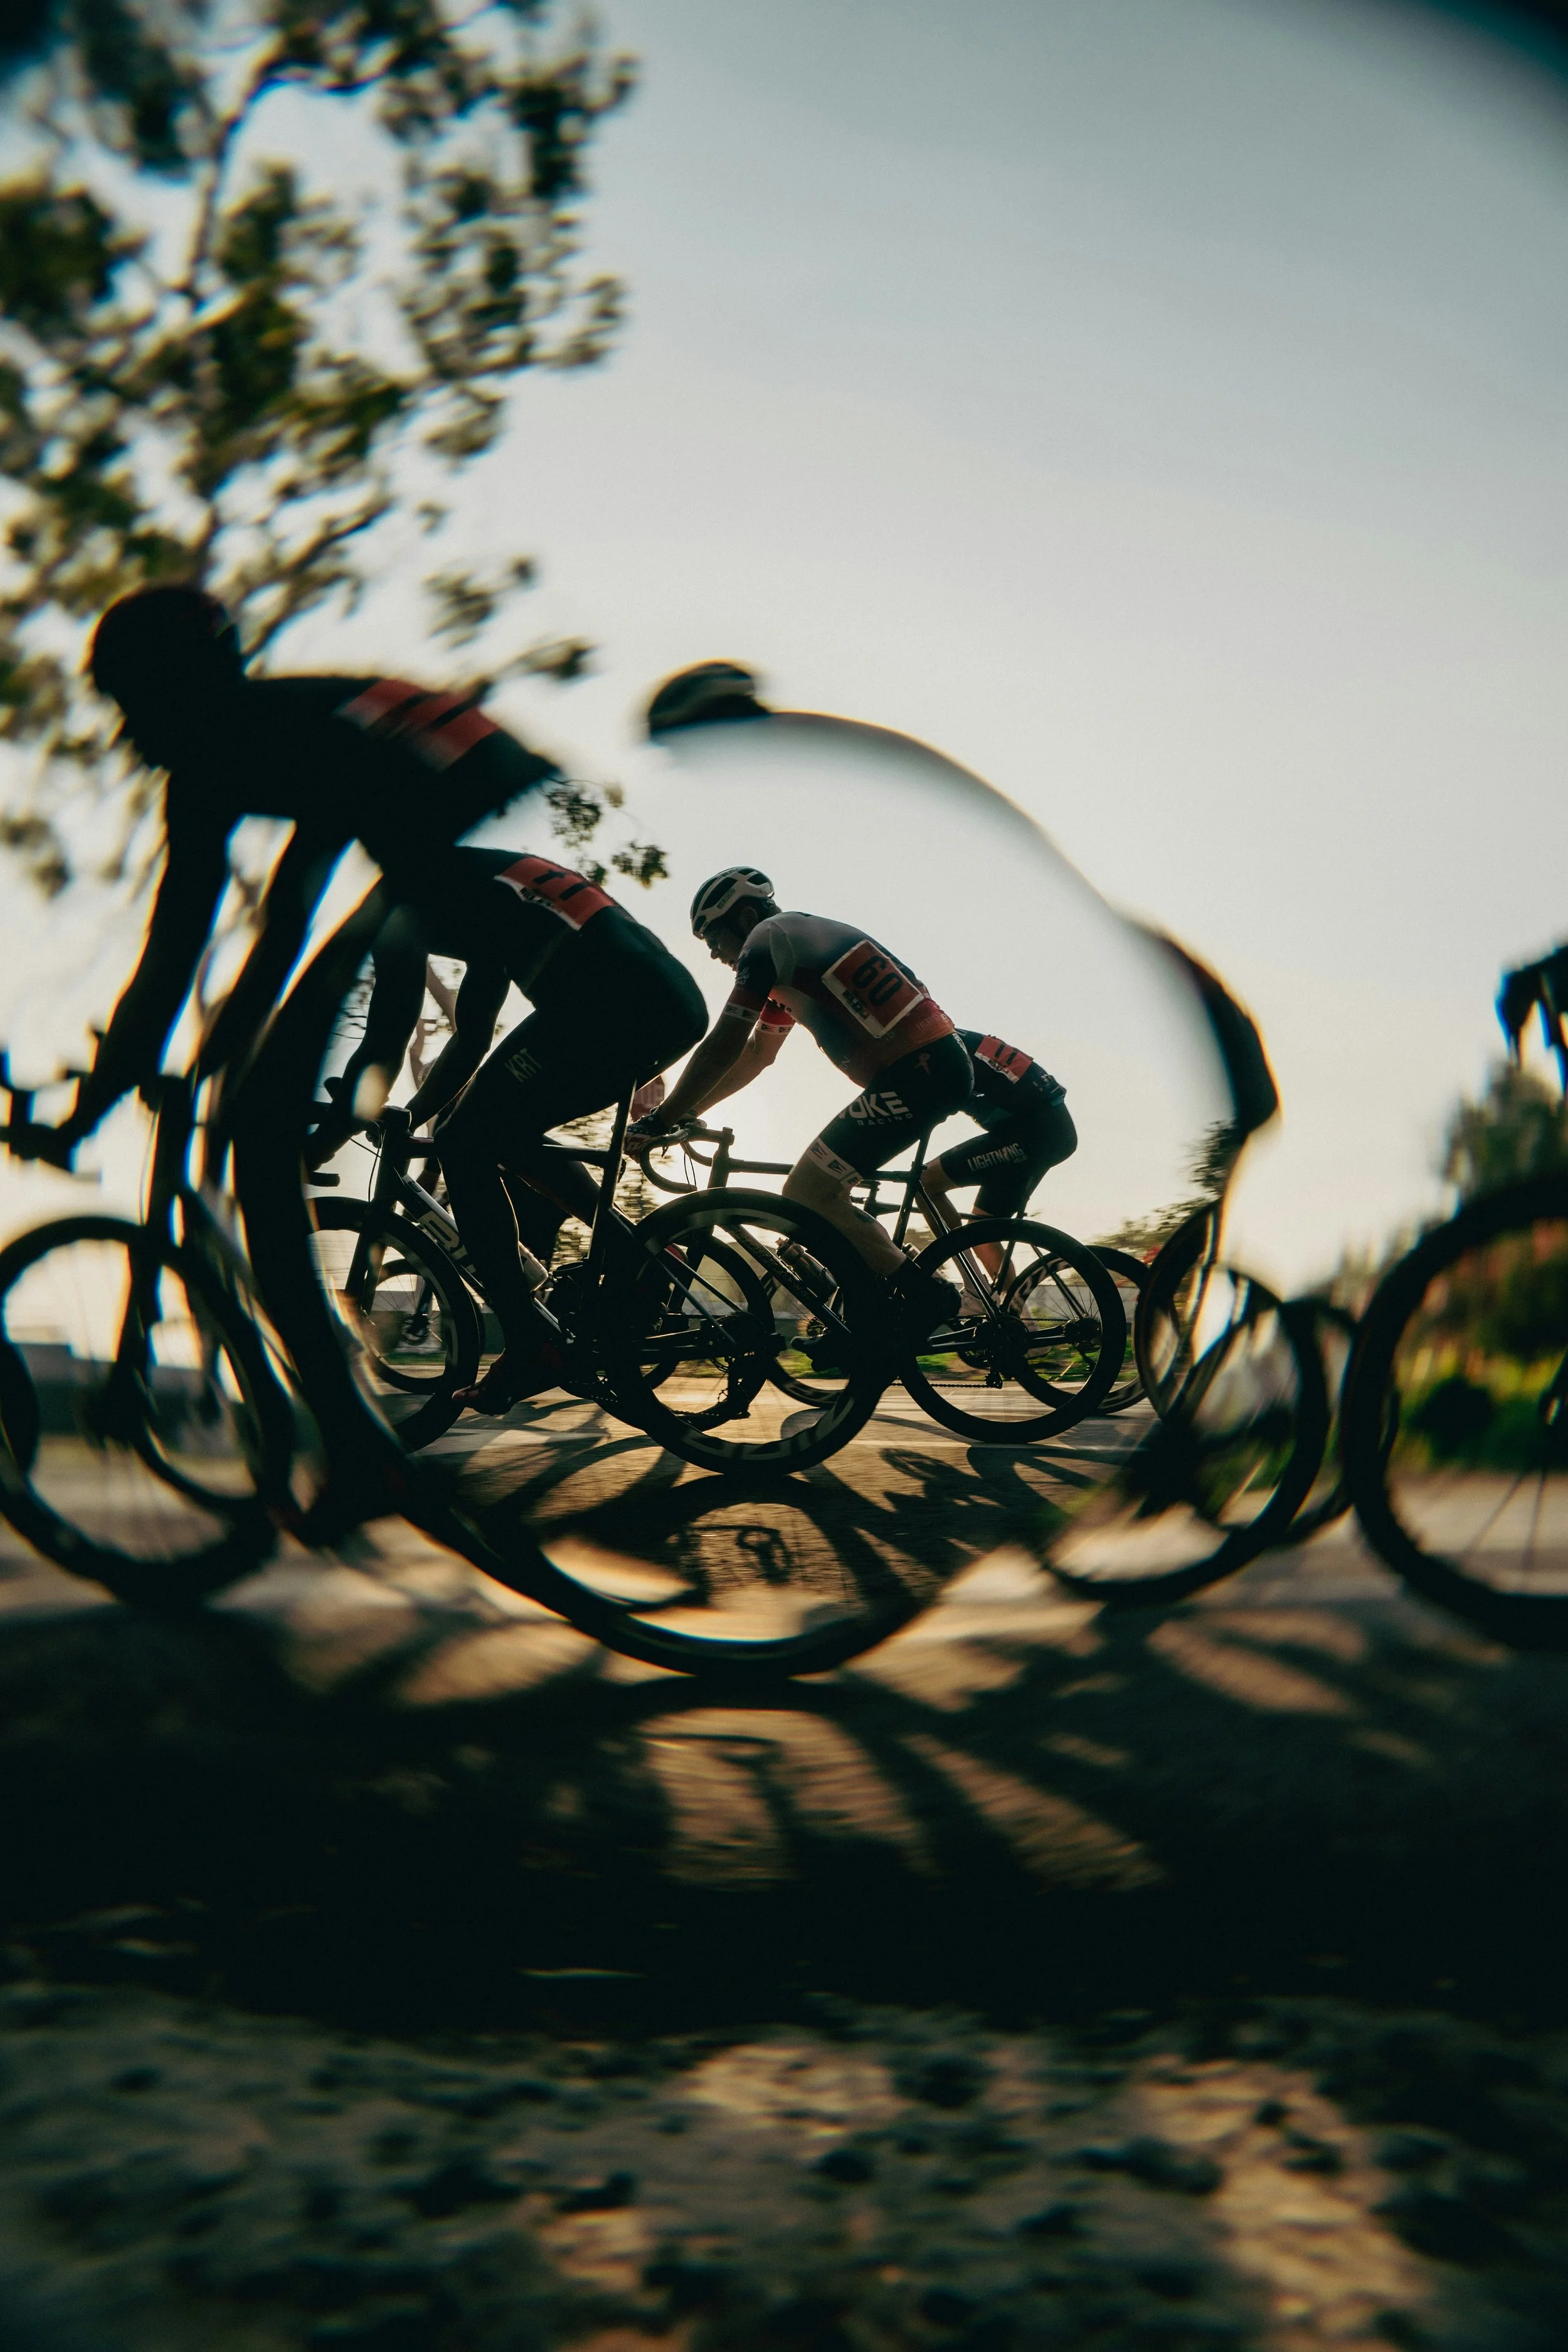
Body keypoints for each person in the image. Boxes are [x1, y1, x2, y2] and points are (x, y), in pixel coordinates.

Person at [13, 584, 558, 1165]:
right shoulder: (205, 776)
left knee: (265, 1108)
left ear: (181, 689)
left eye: (133, 704)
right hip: (440, 806)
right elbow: (173, 950)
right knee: (268, 1081)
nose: (129, 732)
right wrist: (98, 1107)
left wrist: (166, 1078)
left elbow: (286, 929)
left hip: (482, 792)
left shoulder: (286, 732)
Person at [312, 847, 707, 1411]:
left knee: (462, 1140)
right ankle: (638, 1250)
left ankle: (529, 1344)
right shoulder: (472, 875)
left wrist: (317, 1148)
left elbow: (384, 1041)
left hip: (604, 1003)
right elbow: (471, 1037)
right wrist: (417, 1114)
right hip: (672, 1000)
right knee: (495, 1132)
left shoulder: (394, 897)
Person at [632, 867, 972, 1327]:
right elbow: (757, 1053)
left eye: (712, 937)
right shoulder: (792, 947)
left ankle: (925, 1298)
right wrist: (690, 1112)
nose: (713, 954)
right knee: (819, 1193)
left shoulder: (766, 941)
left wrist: (659, 1119)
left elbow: (726, 1040)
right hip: (925, 1069)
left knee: (809, 1192)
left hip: (917, 1074)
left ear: (744, 916)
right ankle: (875, 1314)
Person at [921, 1031, 1078, 1304]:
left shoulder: (935, 1050)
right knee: (984, 1231)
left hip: (1033, 1131)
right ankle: (1017, 1321)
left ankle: (974, 1289)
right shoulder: (947, 1037)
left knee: (927, 1182)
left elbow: (926, 1109)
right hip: (1045, 1129)